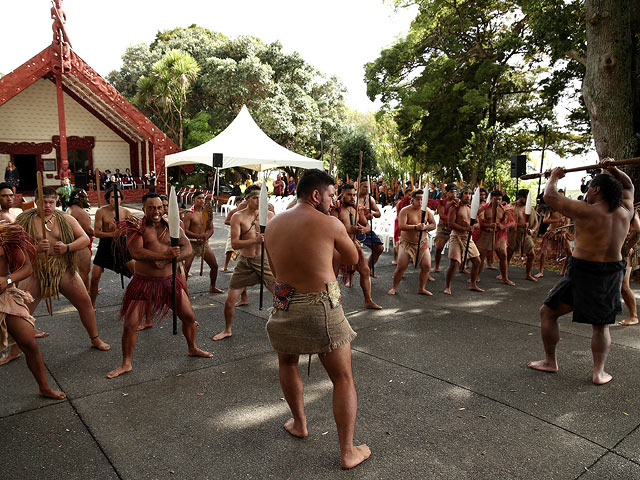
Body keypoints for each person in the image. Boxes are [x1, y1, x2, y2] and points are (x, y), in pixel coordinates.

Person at [264, 169, 371, 470]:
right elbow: (352, 259)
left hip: (284, 305)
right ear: (316, 195)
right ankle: (347, 451)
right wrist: (338, 231)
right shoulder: (330, 222)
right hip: (321, 306)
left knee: (287, 363)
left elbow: (274, 270)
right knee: (343, 378)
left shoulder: (273, 223)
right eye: (331, 194)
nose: (334, 199)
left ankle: (299, 423)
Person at [528, 160, 634, 385]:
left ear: (596, 190)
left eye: (589, 190)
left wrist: (555, 175)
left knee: (547, 312)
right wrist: (614, 169)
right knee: (601, 324)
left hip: (583, 270)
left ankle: (550, 361)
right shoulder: (626, 209)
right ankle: (598, 372)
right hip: (612, 270)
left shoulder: (586, 210)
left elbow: (549, 196)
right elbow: (629, 185)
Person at [106, 193, 212, 378]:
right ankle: (126, 363)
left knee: (189, 317)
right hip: (143, 282)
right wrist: (164, 256)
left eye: (159, 207)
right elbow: (136, 252)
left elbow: (186, 249)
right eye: (151, 208)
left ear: (164, 208)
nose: (156, 211)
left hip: (169, 281)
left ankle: (192, 348)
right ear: (143, 209)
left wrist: (169, 260)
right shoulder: (137, 227)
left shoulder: (172, 225)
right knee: (130, 325)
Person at [15, 187, 110, 351]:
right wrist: (34, 248)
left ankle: (95, 339)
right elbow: (13, 247)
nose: (47, 206)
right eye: (43, 202)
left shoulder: (66, 219)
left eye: (51, 202)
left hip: (63, 268)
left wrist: (67, 247)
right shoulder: (23, 221)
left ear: (56, 202)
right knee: (21, 311)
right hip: (35, 270)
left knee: (85, 303)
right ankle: (14, 350)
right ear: (36, 202)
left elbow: (84, 239)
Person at [0, 221, 65, 399]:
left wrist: (7, 280)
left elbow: (27, 268)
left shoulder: (5, 235)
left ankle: (44, 387)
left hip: (3, 298)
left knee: (28, 342)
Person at [213, 185, 276, 341]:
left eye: (262, 198)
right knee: (229, 301)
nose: (259, 201)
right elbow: (234, 244)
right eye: (255, 197)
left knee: (281, 296)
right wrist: (255, 240)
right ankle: (227, 330)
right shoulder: (237, 217)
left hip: (264, 261)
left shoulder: (269, 215)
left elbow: (278, 237)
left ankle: (283, 326)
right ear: (247, 198)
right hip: (245, 262)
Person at [334, 184, 382, 309]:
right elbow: (332, 228)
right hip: (337, 248)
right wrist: (349, 229)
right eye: (349, 195)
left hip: (353, 245)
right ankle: (331, 304)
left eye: (354, 195)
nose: (352, 197)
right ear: (342, 194)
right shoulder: (336, 208)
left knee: (365, 270)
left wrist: (364, 229)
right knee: (332, 276)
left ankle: (368, 300)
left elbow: (367, 225)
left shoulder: (357, 209)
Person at [89, 187, 133, 308]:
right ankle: (91, 305)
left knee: (137, 273)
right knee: (95, 276)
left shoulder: (126, 212)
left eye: (118, 197)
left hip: (121, 246)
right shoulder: (101, 212)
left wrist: (122, 230)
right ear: (108, 198)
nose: (116, 199)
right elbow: (96, 232)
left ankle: (137, 301)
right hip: (105, 245)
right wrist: (112, 233)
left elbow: (133, 231)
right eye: (113, 197)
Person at [388, 189, 436, 295]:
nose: (420, 201)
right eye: (418, 199)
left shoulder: (427, 211)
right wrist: (416, 227)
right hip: (407, 243)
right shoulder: (405, 211)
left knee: (427, 266)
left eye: (422, 199)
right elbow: (401, 226)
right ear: (412, 199)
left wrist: (426, 227)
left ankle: (421, 288)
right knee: (401, 266)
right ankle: (394, 287)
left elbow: (433, 224)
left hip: (422, 243)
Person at [443, 189, 483, 295]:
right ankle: (448, 287)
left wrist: (472, 226)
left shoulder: (471, 209)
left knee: (477, 261)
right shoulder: (455, 208)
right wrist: (464, 228)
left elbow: (478, 224)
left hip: (467, 238)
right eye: (466, 193)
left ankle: (473, 284)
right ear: (461, 195)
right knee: (454, 263)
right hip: (456, 236)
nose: (468, 196)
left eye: (470, 194)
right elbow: (450, 223)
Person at [182, 191, 223, 293]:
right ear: (193, 200)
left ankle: (212, 286)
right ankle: (182, 291)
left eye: (203, 198)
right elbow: (185, 231)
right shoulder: (189, 214)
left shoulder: (207, 213)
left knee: (214, 266)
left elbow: (211, 229)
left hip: (204, 244)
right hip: (191, 244)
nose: (202, 200)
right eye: (199, 198)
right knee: (185, 269)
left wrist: (206, 237)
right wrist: (198, 236)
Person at [476, 190, 516, 285]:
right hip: (486, 234)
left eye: (500, 199)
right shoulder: (484, 209)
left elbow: (512, 222)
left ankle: (505, 278)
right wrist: (489, 225)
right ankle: (476, 276)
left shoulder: (504, 209)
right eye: (496, 199)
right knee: (481, 256)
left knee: (504, 256)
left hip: (499, 235)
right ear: (491, 198)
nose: (498, 201)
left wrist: (503, 226)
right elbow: (479, 223)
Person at [506, 189, 539, 282]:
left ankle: (528, 274)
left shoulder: (530, 208)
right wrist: (520, 225)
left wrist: (532, 230)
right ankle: (503, 273)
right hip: (514, 233)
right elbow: (507, 221)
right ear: (520, 197)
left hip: (526, 233)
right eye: (525, 198)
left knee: (531, 255)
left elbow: (536, 222)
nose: (527, 200)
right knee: (508, 254)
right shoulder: (511, 207)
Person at [534, 201, 572, 278]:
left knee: (570, 252)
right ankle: (541, 271)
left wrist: (563, 227)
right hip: (551, 233)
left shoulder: (566, 211)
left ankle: (563, 270)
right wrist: (558, 220)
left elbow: (568, 223)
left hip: (562, 234)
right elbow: (545, 220)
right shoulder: (551, 209)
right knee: (543, 252)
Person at [67, 189, 93, 290]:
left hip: (73, 243)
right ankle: (82, 293)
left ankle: (88, 289)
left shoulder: (70, 209)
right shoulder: (81, 212)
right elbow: (88, 230)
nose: (88, 200)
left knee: (81, 271)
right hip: (81, 245)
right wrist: (103, 232)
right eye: (86, 198)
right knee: (84, 271)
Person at [356, 182, 384, 276]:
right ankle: (349, 276)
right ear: (359, 186)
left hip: (366, 227)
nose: (367, 189)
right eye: (364, 187)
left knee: (379, 248)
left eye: (368, 187)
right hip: (353, 228)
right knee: (353, 253)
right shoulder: (353, 198)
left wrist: (371, 213)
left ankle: (368, 270)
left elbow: (378, 213)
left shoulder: (370, 199)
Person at [618, 208, 640, 325]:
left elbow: (636, 232)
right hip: (619, 248)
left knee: (624, 286)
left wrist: (627, 248)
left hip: (626, 250)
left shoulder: (630, 211)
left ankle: (633, 316)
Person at [432, 184, 458, 273]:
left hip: (454, 228)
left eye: (455, 192)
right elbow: (442, 215)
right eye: (451, 192)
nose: (453, 194)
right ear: (446, 192)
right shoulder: (442, 202)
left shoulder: (458, 203)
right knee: (439, 248)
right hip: (443, 228)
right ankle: (436, 267)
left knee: (458, 249)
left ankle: (462, 267)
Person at [392, 186, 413, 264]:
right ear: (405, 195)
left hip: (408, 223)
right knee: (398, 240)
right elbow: (399, 214)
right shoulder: (400, 202)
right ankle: (395, 258)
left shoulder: (412, 203)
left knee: (409, 240)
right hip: (399, 222)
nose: (410, 197)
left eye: (411, 195)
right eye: (409, 195)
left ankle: (410, 256)